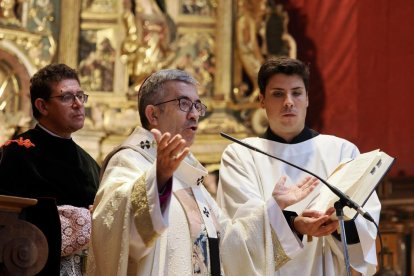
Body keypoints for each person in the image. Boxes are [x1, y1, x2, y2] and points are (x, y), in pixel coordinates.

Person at [87, 69, 329, 276]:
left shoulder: (188, 175)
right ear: (153, 114)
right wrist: (158, 178)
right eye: (183, 103)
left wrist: (285, 219)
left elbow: (229, 246)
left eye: (197, 105)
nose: (194, 114)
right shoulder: (130, 161)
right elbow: (111, 229)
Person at [217, 56, 381, 275]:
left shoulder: (342, 152)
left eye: (296, 93)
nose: (288, 102)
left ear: (307, 99)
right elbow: (239, 231)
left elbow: (366, 227)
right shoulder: (240, 154)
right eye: (278, 94)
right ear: (261, 100)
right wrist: (294, 224)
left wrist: (338, 222)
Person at [0, 63, 100, 275]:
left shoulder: (90, 163)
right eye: (66, 97)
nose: (78, 104)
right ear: (42, 106)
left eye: (80, 96)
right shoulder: (18, 153)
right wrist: (82, 221)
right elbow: (11, 218)